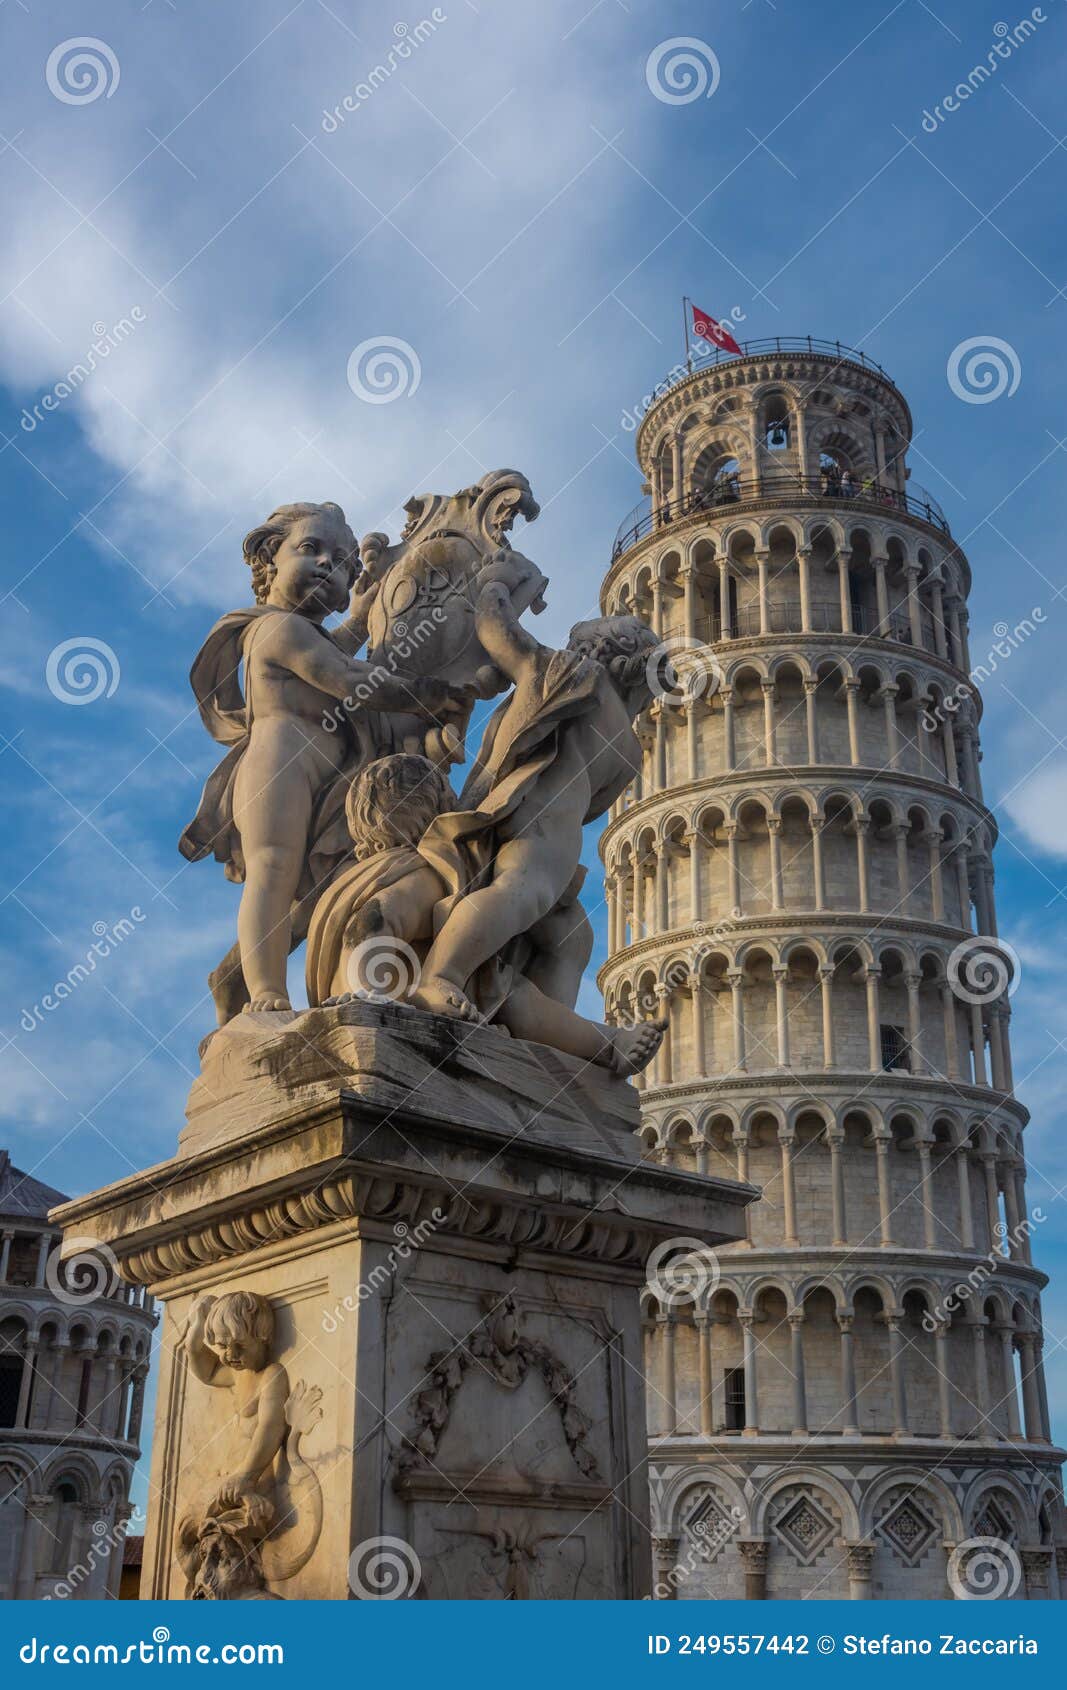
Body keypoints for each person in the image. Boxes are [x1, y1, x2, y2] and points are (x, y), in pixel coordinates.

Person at [179, 502, 465, 1017]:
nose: (326, 566)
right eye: (310, 549)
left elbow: (336, 648)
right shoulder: (275, 630)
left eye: (341, 563)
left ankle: (232, 978)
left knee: (306, 896)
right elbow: (351, 679)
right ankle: (266, 989)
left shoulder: (309, 633)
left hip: (331, 774)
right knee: (274, 868)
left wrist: (361, 614)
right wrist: (430, 695)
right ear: (270, 559)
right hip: (280, 764)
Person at [305, 753, 666, 1076]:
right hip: (389, 989)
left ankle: (602, 1045)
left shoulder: (397, 873)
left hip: (400, 987)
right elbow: (373, 922)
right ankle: (607, 1044)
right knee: (514, 996)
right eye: (449, 798)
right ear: (434, 811)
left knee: (508, 989)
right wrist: (370, 992)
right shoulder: (422, 872)